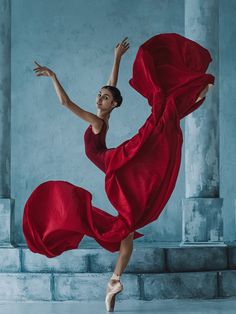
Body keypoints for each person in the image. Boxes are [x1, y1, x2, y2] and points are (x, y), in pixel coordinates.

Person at [24, 34, 214, 312]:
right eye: (99, 96)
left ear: (112, 105)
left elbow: (66, 104)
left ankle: (189, 96)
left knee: (155, 132)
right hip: (113, 161)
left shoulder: (97, 122)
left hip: (112, 162)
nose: (100, 99)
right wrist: (116, 58)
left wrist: (53, 76)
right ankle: (114, 281)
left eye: (104, 98)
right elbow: (112, 87)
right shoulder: (104, 114)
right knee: (125, 227)